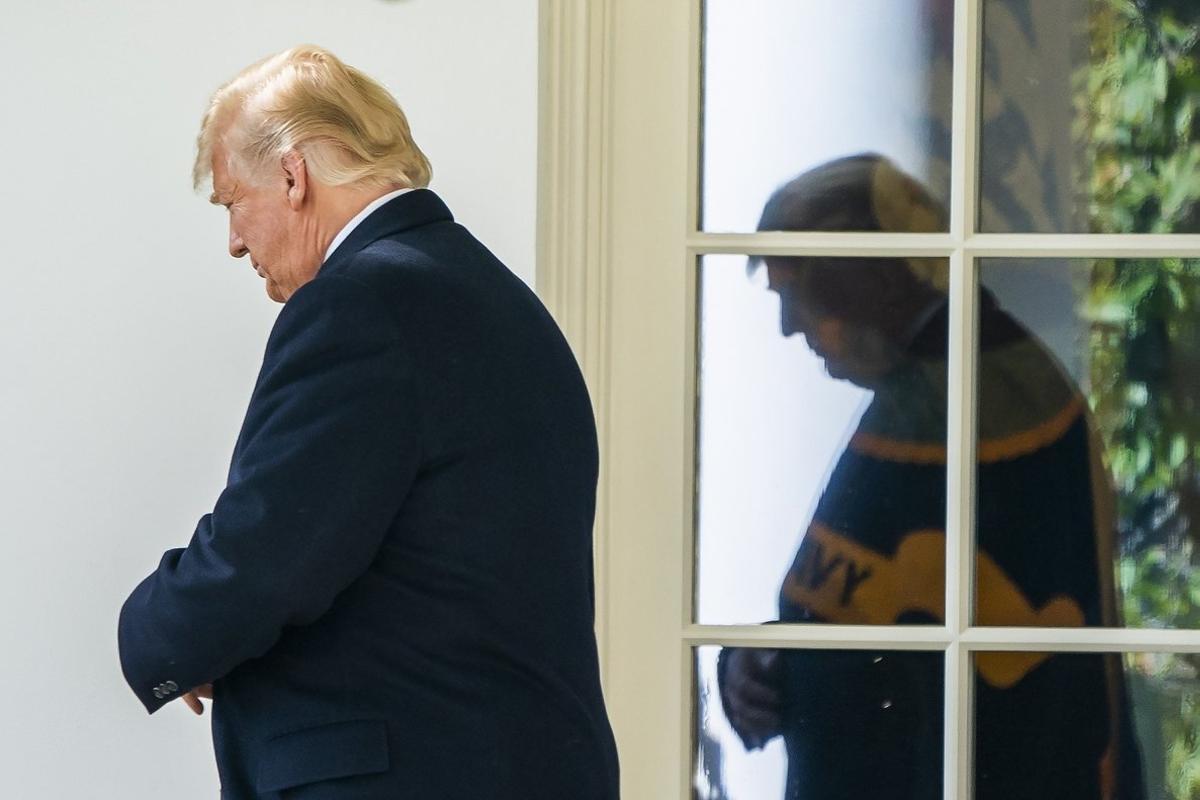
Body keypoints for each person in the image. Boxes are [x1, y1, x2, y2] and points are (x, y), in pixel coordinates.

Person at [117, 45, 619, 800]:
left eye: (231, 203)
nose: (234, 242)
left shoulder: (363, 303)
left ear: (293, 175)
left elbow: (264, 559)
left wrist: (158, 632)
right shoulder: (494, 301)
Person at [717, 154, 1142, 799]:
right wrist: (763, 666)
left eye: (799, 292)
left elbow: (1021, 700)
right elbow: (877, 602)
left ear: (873, 276)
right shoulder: (931, 391)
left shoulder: (981, 402)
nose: (790, 326)